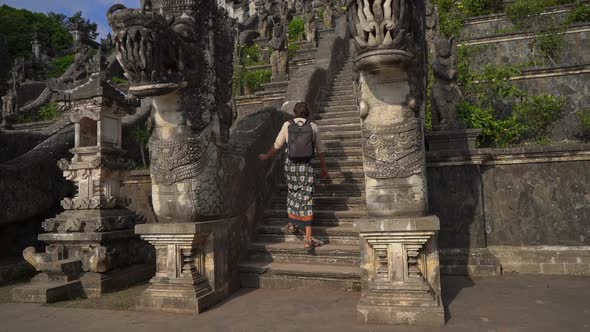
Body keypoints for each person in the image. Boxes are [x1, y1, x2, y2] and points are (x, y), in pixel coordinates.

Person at [258, 101, 329, 250]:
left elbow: (277, 145)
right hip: (306, 166)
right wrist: (324, 168)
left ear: (295, 112)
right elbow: (321, 151)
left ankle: (292, 224)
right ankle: (308, 239)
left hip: (290, 166)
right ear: (307, 113)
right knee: (307, 198)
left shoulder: (287, 125)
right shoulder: (313, 126)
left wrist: (265, 156)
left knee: (292, 193)